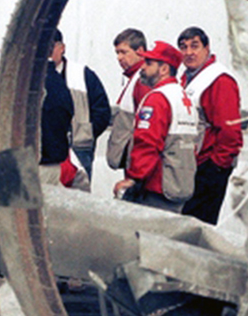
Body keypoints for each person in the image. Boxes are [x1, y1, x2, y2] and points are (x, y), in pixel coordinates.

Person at [113, 41, 198, 213]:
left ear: (164, 69)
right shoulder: (183, 98)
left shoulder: (158, 99)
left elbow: (147, 143)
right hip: (179, 185)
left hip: (157, 188)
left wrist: (133, 179)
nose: (142, 67)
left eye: (148, 63)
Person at [177, 26, 243, 224]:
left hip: (209, 166)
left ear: (207, 48)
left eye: (194, 46)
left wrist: (216, 166)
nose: (189, 52)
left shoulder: (219, 80)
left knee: (198, 225)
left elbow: (230, 130)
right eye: (184, 47)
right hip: (191, 165)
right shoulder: (187, 78)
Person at [39, 30, 89, 191]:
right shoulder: (57, 81)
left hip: (40, 163)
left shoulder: (35, 83)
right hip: (55, 160)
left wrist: (85, 134)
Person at [106, 28, 151, 171]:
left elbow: (145, 127)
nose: (119, 58)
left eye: (124, 52)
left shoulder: (142, 81)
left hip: (136, 161)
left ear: (140, 51)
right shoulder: (135, 78)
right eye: (117, 53)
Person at [70, 65, 111, 182]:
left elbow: (102, 111)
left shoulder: (81, 73)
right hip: (47, 149)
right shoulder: (35, 73)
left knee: (79, 188)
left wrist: (87, 133)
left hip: (80, 146)